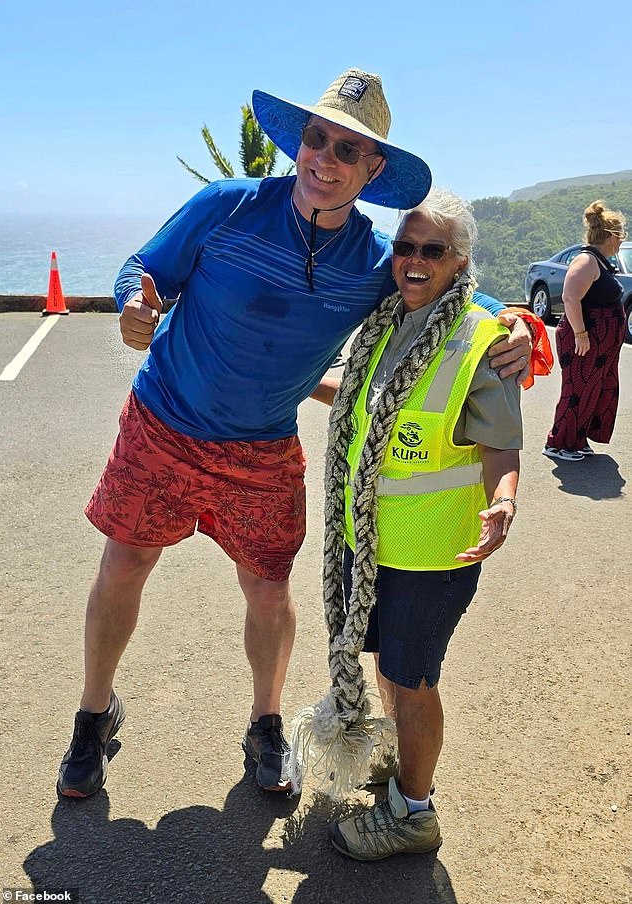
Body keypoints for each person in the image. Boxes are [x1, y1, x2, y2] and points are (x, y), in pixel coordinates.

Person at [56, 69, 532, 800]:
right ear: (296, 143)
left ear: (374, 170)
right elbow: (143, 269)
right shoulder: (227, 207)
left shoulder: (375, 259)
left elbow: (448, 287)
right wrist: (132, 306)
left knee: (269, 591)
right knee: (124, 563)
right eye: (317, 138)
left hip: (264, 447)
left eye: (349, 149)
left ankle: (266, 723)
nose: (326, 159)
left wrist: (517, 324)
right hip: (163, 423)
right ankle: (93, 715)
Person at [291, 187, 521, 860]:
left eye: (433, 250)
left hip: (435, 554)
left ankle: (415, 814)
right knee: (393, 672)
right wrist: (288, 378)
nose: (414, 261)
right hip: (373, 546)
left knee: (414, 684)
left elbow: (502, 446)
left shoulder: (483, 339)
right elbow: (363, 398)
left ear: (459, 261)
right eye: (405, 247)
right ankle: (402, 771)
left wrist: (504, 499)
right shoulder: (386, 324)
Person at [543, 200, 627, 461]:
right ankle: (560, 444)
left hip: (599, 342)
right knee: (578, 389)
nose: (623, 242)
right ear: (612, 237)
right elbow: (570, 297)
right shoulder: (587, 260)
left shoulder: (599, 262)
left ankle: (577, 439)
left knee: (597, 388)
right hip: (585, 339)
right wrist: (581, 334)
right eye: (622, 236)